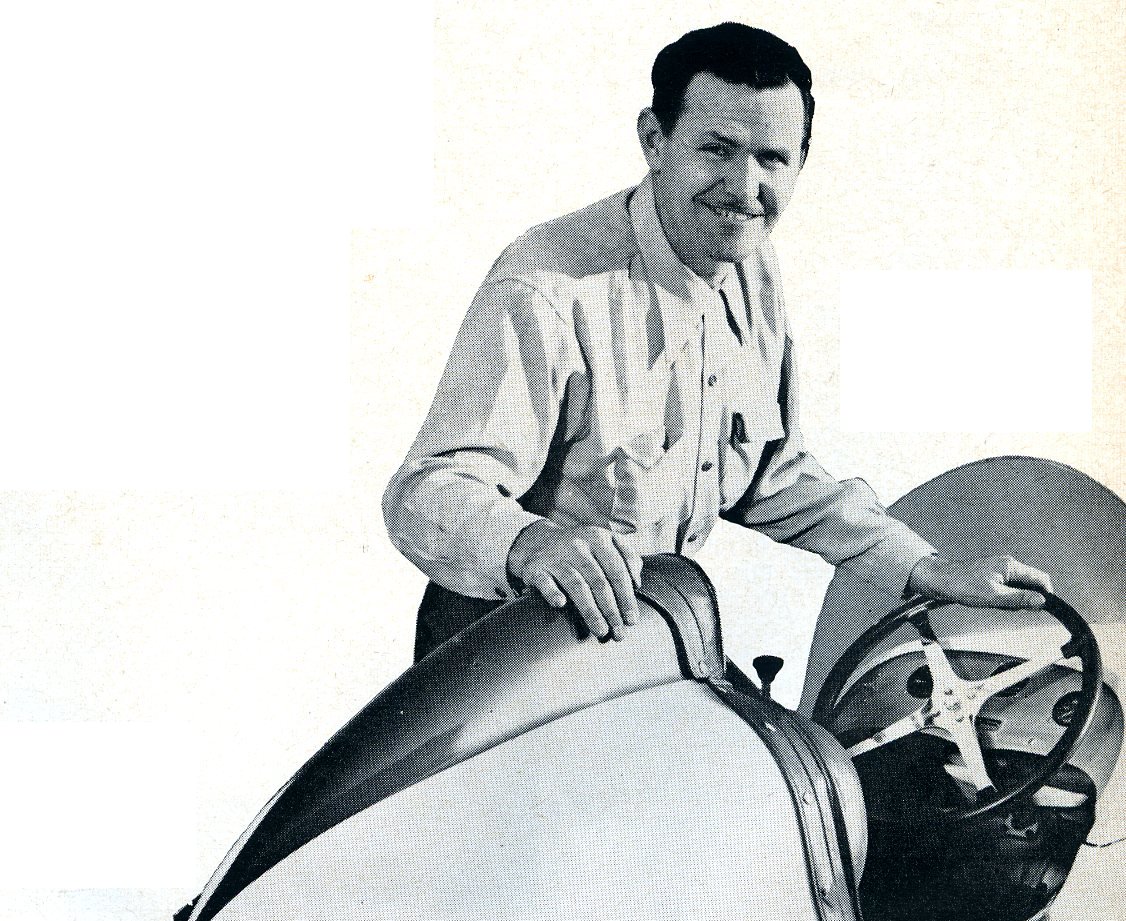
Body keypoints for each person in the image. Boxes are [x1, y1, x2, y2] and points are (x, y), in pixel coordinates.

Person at [384, 23, 1051, 663]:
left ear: (800, 164)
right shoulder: (547, 286)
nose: (744, 188)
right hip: (499, 643)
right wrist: (531, 544)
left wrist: (925, 568)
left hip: (642, 632)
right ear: (654, 139)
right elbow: (425, 491)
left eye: (771, 159)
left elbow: (770, 474)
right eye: (717, 149)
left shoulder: (750, 264)